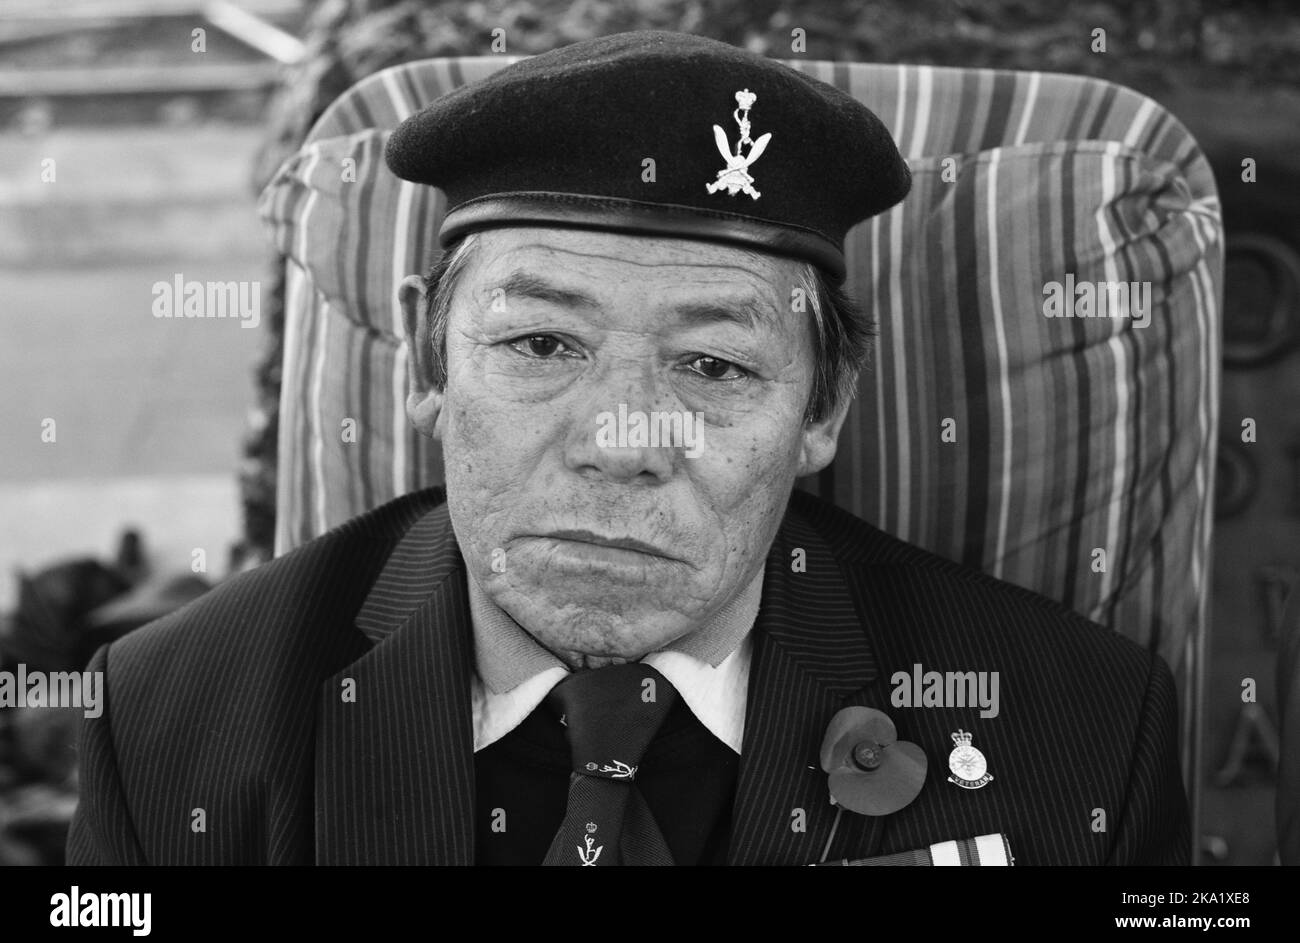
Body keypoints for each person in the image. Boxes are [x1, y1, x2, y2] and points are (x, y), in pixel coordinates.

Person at [67, 30, 1188, 866]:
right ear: (426, 361)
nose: (621, 443)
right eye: (542, 341)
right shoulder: (176, 720)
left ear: (823, 407)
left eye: (714, 366)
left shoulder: (1081, 727)